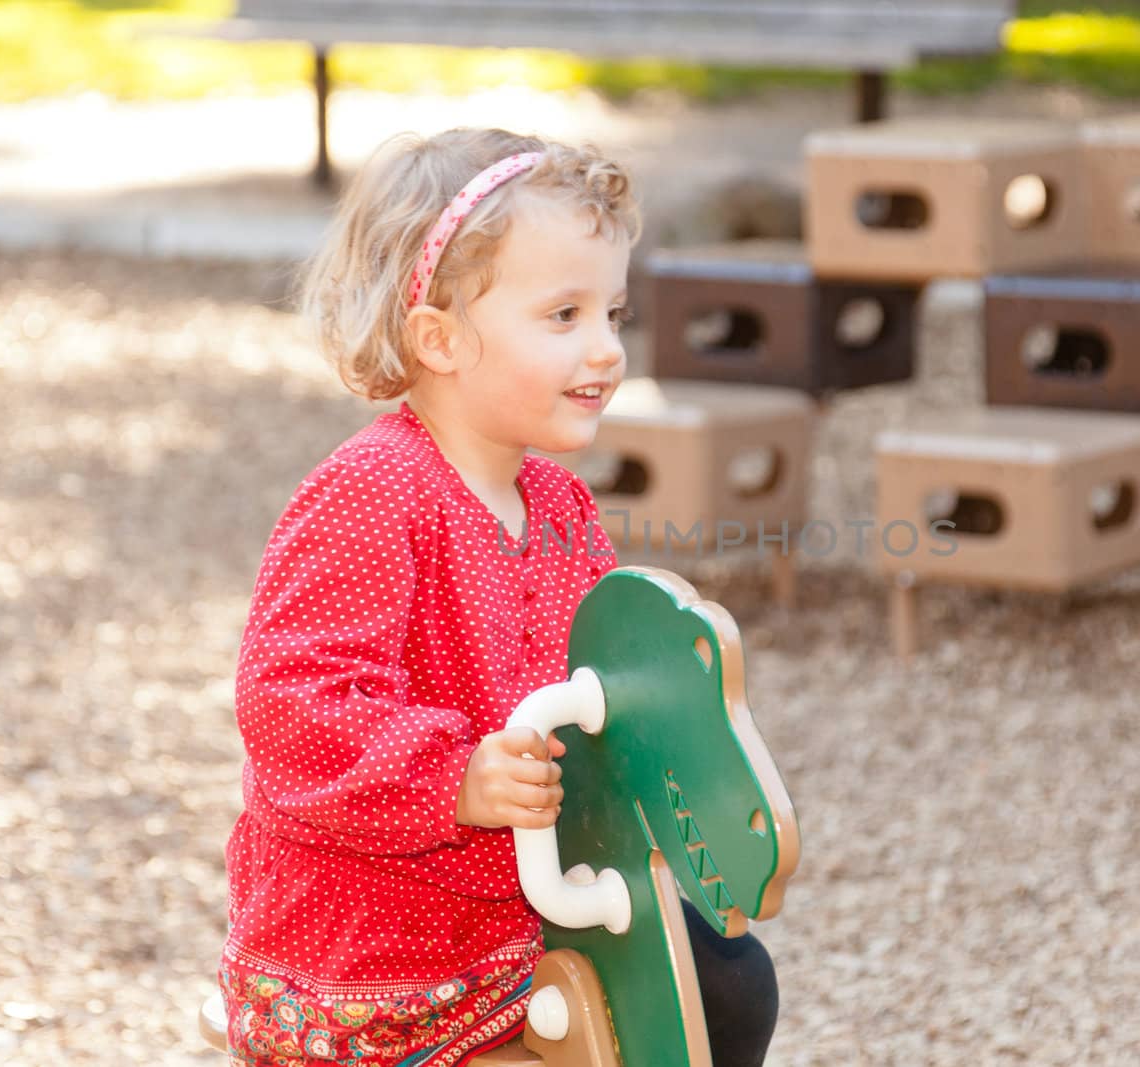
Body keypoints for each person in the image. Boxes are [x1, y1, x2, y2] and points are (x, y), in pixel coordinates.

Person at [219, 128, 777, 1067]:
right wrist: (455, 777)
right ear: (439, 337)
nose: (606, 350)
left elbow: (607, 686)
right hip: (381, 954)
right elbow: (292, 705)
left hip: (529, 909)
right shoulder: (372, 494)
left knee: (727, 983)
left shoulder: (557, 503)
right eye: (563, 315)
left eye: (614, 312)